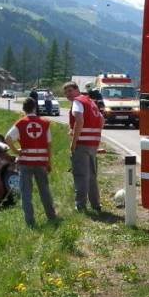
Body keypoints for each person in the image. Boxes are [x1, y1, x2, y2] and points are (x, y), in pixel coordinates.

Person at [5, 97, 57, 227]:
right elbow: (49, 145)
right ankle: (51, 216)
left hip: (25, 163)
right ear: (35, 108)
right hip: (41, 162)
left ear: (23, 109)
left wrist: (16, 151)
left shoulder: (21, 123)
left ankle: (30, 223)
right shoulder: (45, 123)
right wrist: (48, 162)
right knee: (44, 190)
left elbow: (7, 138)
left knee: (26, 193)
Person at [64, 81, 102, 212]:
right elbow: (102, 120)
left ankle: (80, 206)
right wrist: (96, 138)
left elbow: (79, 120)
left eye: (69, 91)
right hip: (93, 144)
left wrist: (74, 142)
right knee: (92, 175)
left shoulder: (77, 101)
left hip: (82, 144)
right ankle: (96, 204)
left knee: (80, 175)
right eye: (65, 92)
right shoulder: (90, 101)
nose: (67, 94)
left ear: (76, 90)